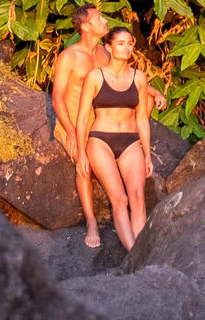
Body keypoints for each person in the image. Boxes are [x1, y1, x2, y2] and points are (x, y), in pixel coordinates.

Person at [75, 27, 153, 251]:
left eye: (130, 43)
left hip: (130, 142)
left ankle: (139, 252)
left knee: (137, 197)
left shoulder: (139, 77)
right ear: (108, 47)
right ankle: (133, 255)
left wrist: (147, 154)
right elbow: (82, 118)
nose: (126, 48)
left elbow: (142, 119)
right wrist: (81, 154)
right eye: (120, 43)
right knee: (120, 200)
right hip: (100, 141)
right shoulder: (95, 76)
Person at [49, 4, 111, 248]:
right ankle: (91, 222)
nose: (105, 22)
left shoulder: (105, 53)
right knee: (84, 162)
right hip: (74, 120)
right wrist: (71, 132)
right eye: (99, 19)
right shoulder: (69, 57)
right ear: (85, 26)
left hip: (99, 119)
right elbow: (57, 98)